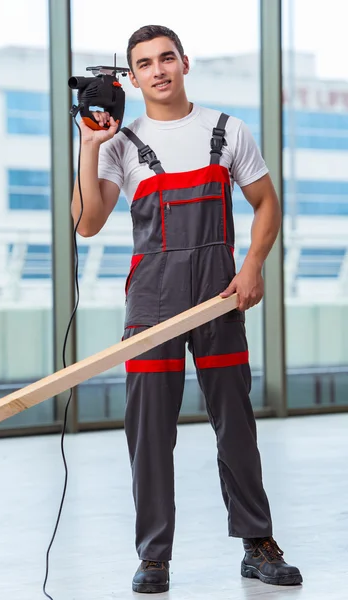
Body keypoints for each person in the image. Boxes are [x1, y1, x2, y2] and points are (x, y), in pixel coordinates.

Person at [71, 24, 302, 594]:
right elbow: (88, 222)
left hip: (219, 297)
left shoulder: (227, 130)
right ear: (133, 76)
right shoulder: (122, 145)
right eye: (144, 63)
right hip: (151, 300)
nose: (158, 70)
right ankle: (154, 556)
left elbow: (267, 202)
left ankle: (257, 543)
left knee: (236, 424)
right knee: (148, 430)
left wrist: (252, 267)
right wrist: (90, 146)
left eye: (166, 58)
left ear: (184, 62)